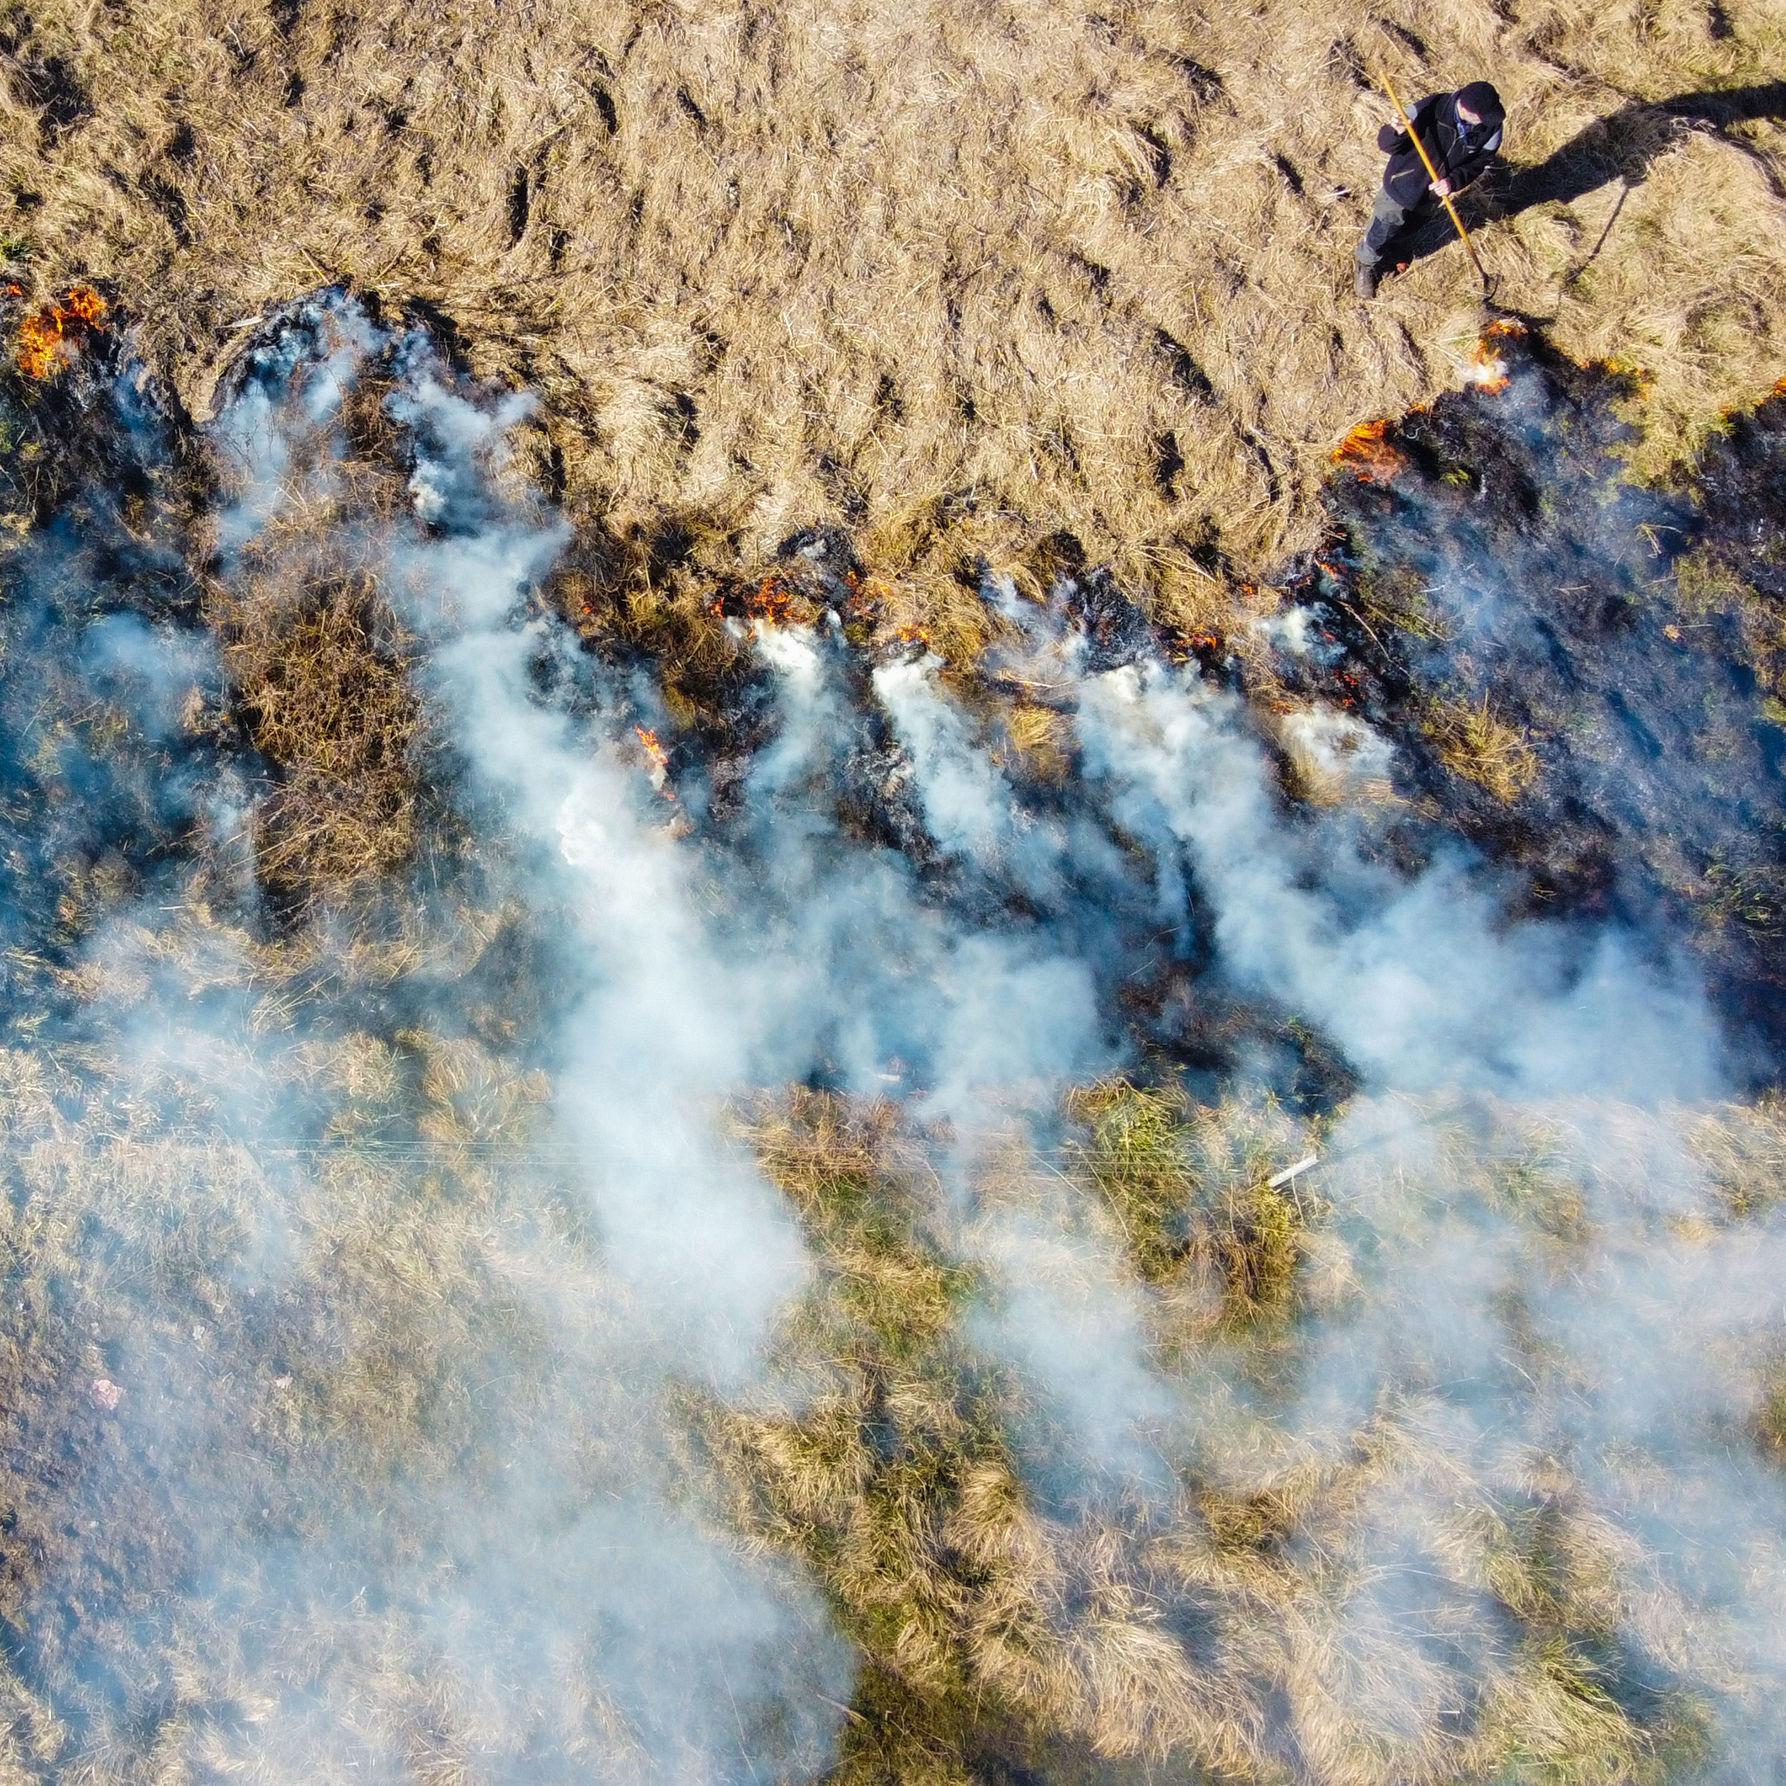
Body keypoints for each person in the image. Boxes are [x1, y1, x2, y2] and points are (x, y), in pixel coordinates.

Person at [1355, 81, 1505, 299]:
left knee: (1413, 225)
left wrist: (1452, 182)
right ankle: (1366, 262)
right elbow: (1387, 144)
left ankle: (1395, 250)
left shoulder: (1492, 127)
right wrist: (1397, 132)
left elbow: (1478, 165)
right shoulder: (1431, 107)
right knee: (1384, 227)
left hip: (1434, 192)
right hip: (1402, 183)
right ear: (1464, 108)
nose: (1487, 122)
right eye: (1482, 117)